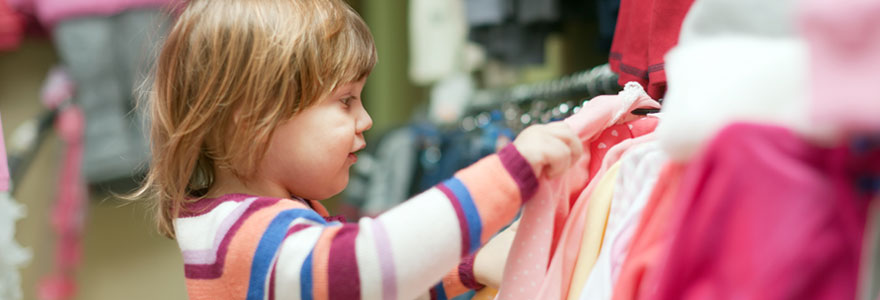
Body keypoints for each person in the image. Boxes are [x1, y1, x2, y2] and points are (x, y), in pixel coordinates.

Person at [131, 0, 583, 299]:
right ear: (253, 118)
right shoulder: (247, 237)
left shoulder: (259, 219)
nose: (365, 120)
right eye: (345, 101)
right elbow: (368, 266)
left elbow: (359, 289)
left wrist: (467, 267)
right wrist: (508, 172)